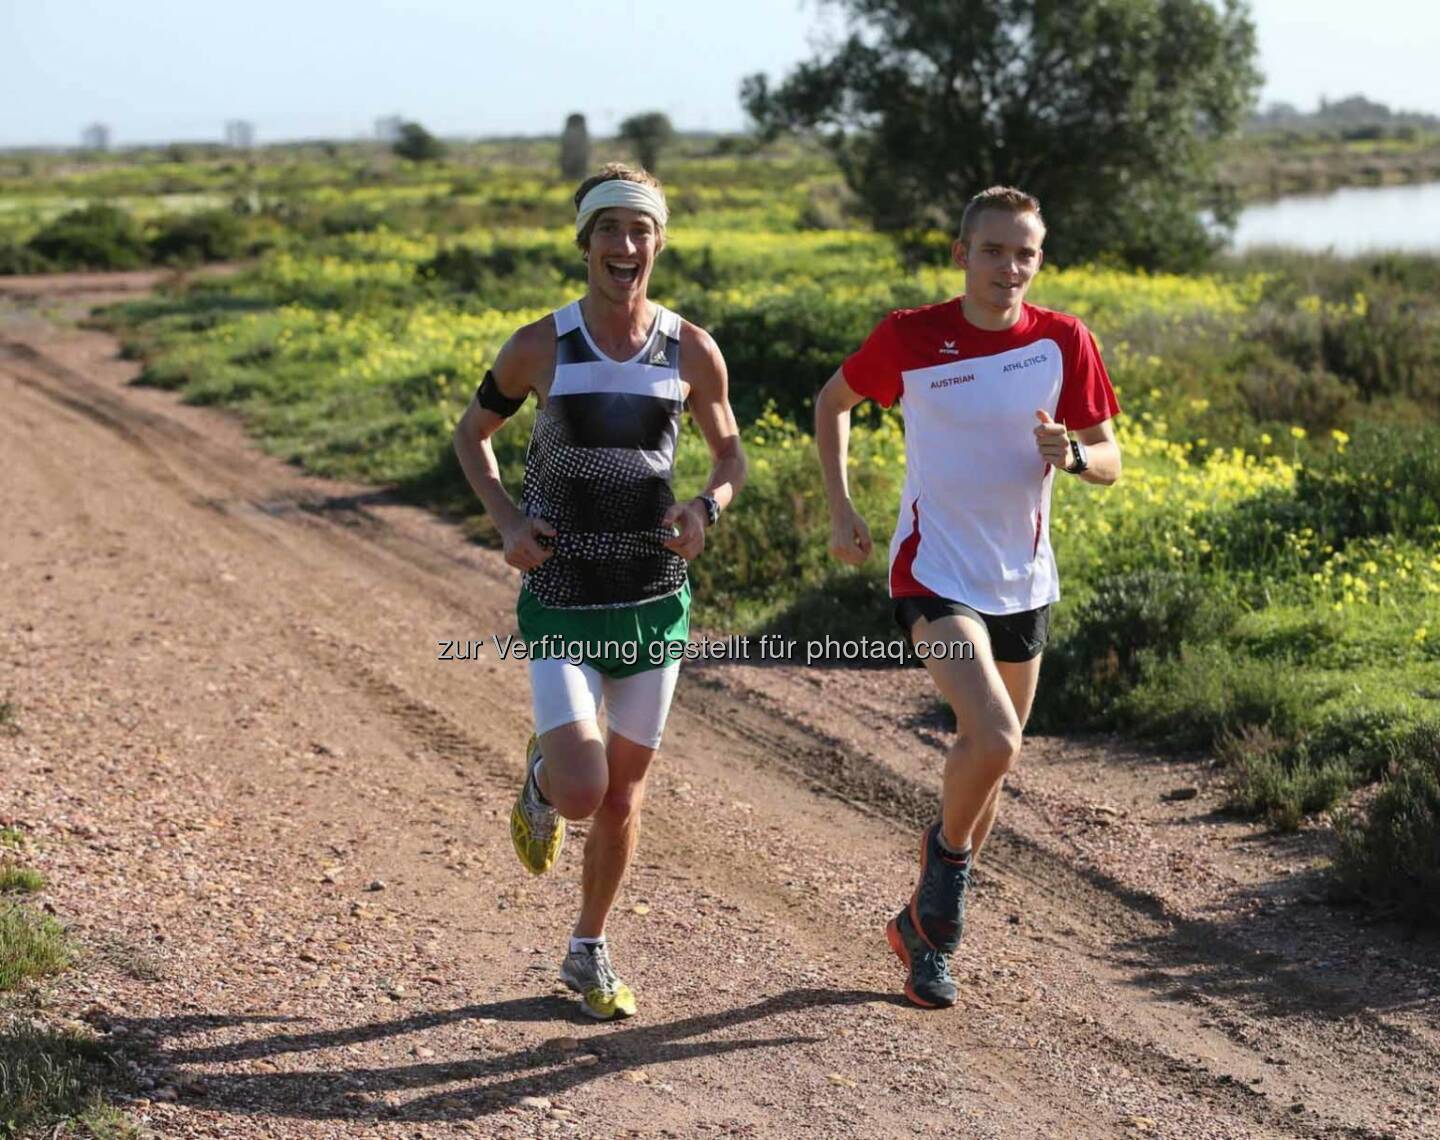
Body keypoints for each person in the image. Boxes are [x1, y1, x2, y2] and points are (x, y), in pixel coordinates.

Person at [814, 186, 1121, 1009]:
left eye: (1024, 253)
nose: (1008, 268)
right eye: (992, 250)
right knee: (994, 738)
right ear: (962, 254)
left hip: (1024, 583)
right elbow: (832, 403)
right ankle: (942, 904)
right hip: (933, 576)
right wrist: (844, 508)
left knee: (986, 772)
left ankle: (919, 927)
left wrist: (1075, 459)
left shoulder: (1064, 341)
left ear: (1039, 259)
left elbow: (1110, 457)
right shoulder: (911, 337)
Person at [452, 164, 745, 1019]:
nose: (626, 246)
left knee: (624, 794)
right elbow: (474, 439)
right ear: (585, 243)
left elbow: (729, 458)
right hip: (564, 593)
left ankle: (587, 948)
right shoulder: (541, 345)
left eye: (640, 230)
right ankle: (545, 777)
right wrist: (507, 523)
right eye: (609, 230)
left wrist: (705, 508)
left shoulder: (692, 349)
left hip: (654, 596)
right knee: (583, 787)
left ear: (659, 240)